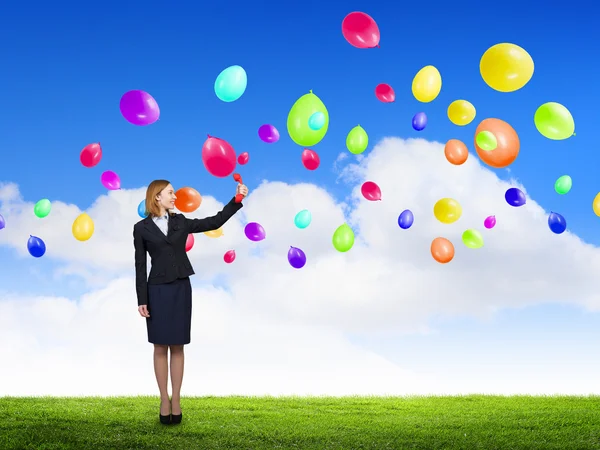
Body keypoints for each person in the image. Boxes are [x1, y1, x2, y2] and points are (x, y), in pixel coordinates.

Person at [133, 179, 248, 425]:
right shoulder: (141, 228)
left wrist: (236, 200)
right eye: (171, 193)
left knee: (178, 345)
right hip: (156, 290)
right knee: (159, 346)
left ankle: (177, 399)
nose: (175, 197)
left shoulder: (180, 221)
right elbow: (140, 266)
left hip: (180, 287)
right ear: (157, 197)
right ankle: (164, 399)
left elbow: (213, 222)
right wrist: (141, 299)